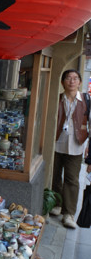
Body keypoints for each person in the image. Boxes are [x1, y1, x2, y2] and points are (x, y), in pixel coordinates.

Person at [51, 69, 90, 228]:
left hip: (76, 144)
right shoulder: (57, 99)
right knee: (54, 175)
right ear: (62, 82)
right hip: (56, 141)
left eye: (75, 78)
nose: (72, 81)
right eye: (68, 78)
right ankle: (57, 204)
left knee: (72, 179)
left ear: (80, 82)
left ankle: (69, 214)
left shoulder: (86, 100)